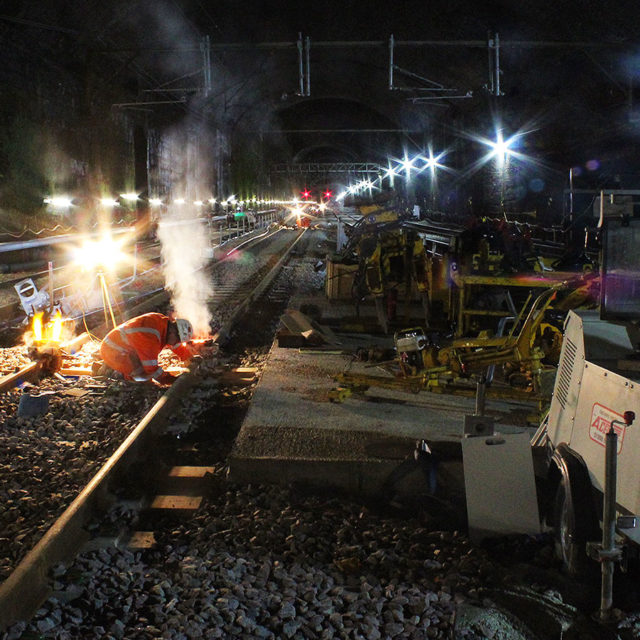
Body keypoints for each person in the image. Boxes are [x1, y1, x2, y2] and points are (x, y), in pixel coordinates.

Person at [99, 313, 195, 384]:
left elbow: (176, 346)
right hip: (113, 351)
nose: (175, 343)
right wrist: (171, 380)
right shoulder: (149, 336)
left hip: (121, 346)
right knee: (143, 378)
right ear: (173, 332)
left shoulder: (163, 323)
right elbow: (152, 368)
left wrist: (190, 358)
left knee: (145, 372)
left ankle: (111, 369)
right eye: (178, 340)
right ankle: (112, 373)